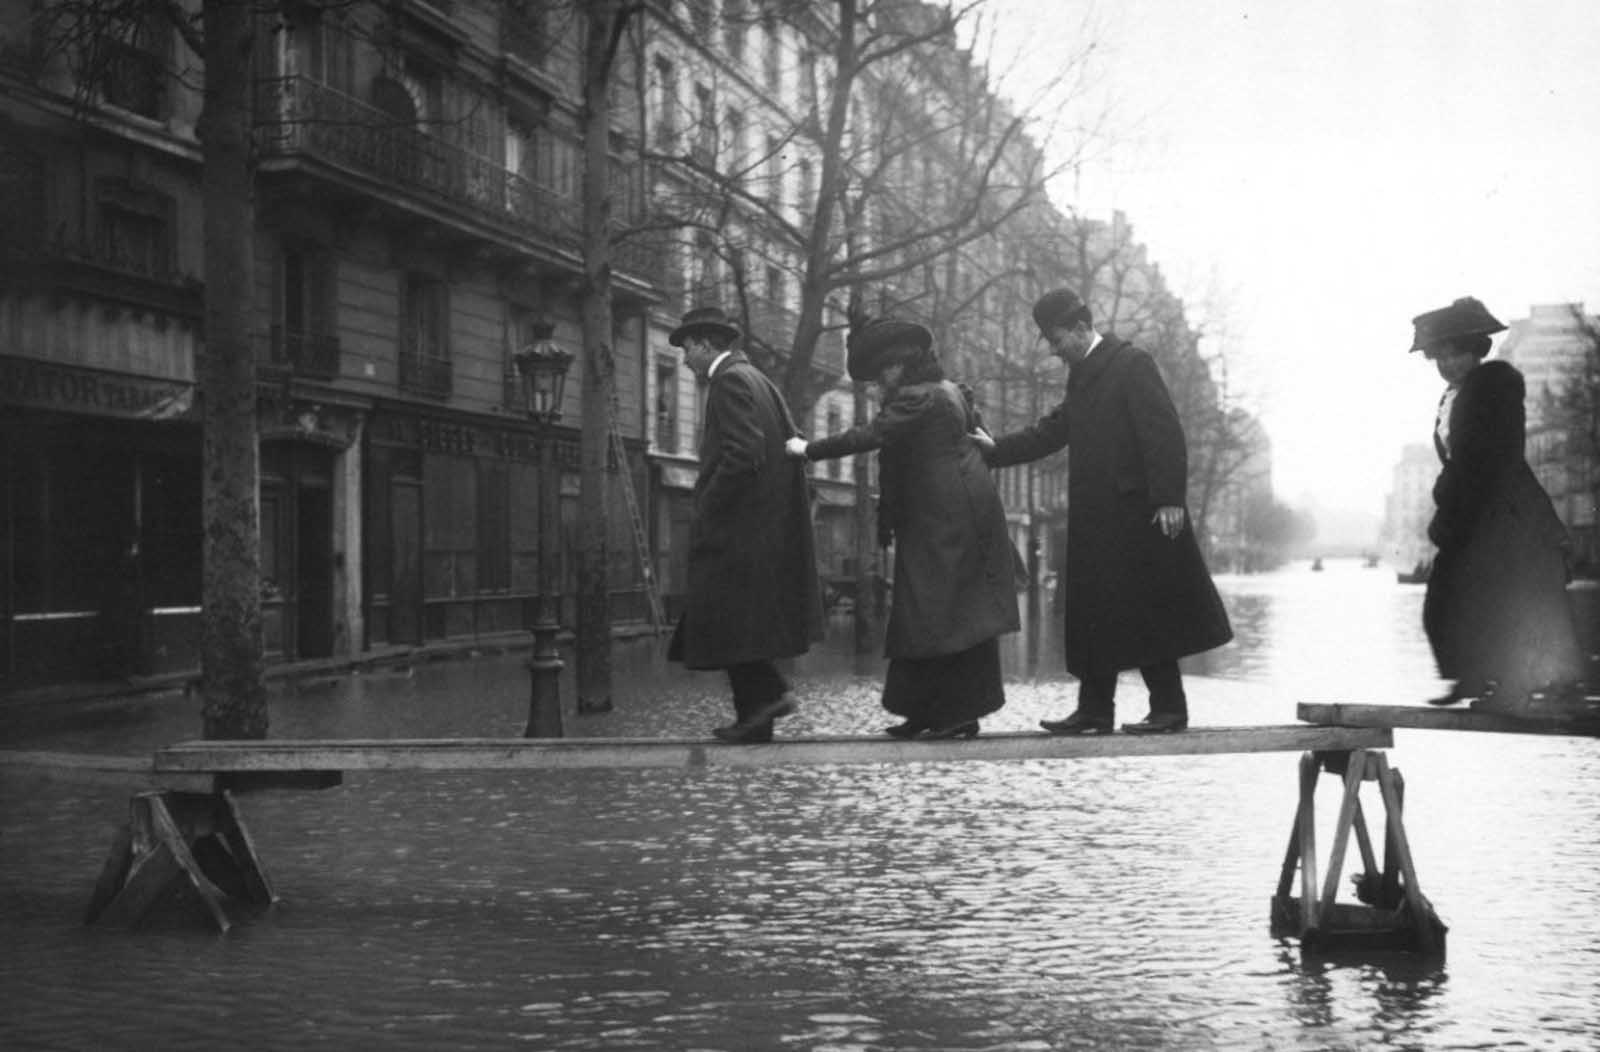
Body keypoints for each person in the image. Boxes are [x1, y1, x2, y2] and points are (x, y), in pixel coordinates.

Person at [975, 288, 1232, 735]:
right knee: (1096, 611)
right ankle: (1095, 711)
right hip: (1098, 519)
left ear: (1080, 327)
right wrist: (995, 450)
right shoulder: (1085, 374)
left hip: (1139, 516)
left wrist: (1168, 498)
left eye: (1057, 341)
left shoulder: (1133, 364)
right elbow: (1053, 430)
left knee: (1147, 610)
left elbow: (1164, 432)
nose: (1055, 351)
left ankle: (1170, 710)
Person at [786, 316, 1019, 739]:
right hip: (955, 517)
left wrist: (809, 449)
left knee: (938, 613)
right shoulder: (947, 392)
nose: (878, 384)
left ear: (900, 366)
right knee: (935, 613)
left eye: (881, 374)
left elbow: (871, 436)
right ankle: (934, 712)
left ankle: (951, 715)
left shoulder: (918, 398)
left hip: (946, 522)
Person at [1410, 296, 1585, 710]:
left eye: (1459, 354)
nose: (1450, 364)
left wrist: (1448, 501)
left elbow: (1482, 456)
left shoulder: (1495, 385)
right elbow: (1459, 457)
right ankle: (1473, 678)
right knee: (1454, 599)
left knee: (1501, 601)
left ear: (1477, 351)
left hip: (1503, 512)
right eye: (1442, 357)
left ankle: (1505, 688)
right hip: (1476, 509)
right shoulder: (1453, 397)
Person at [666, 306, 826, 742]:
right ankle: (759, 716)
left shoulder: (728, 381)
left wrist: (708, 507)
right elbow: (790, 443)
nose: (684, 360)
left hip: (739, 527)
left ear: (703, 344)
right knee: (742, 622)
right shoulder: (760, 380)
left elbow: (742, 454)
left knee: (726, 618)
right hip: (765, 526)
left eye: (685, 349)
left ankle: (768, 699)